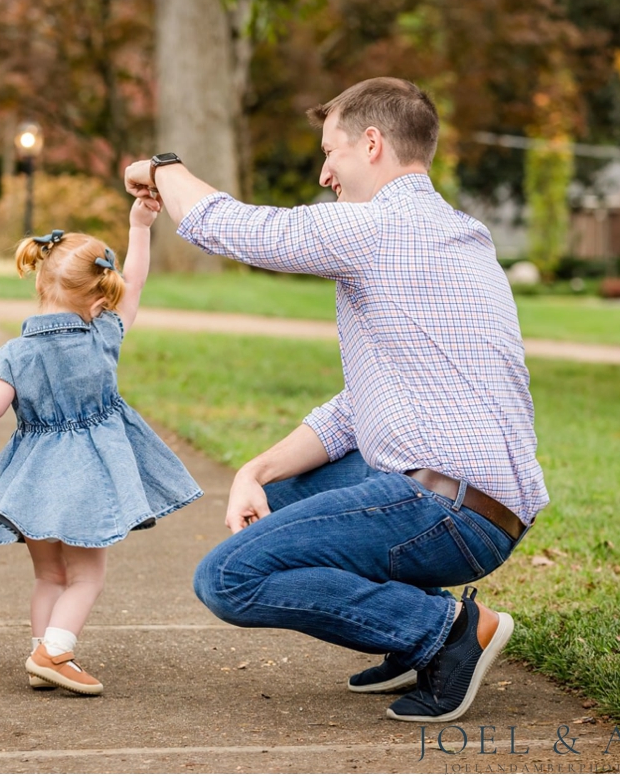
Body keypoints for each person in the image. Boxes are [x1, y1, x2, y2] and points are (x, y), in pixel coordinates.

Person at [124, 77, 548, 723]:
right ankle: (407, 638)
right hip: (471, 501)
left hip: (448, 508)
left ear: (372, 144)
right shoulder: (456, 232)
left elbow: (232, 228)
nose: (325, 172)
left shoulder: (381, 225)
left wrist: (163, 169)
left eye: (332, 151)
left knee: (228, 578)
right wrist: (255, 469)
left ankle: (443, 630)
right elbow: (358, 407)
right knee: (279, 498)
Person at [0, 200, 203, 697]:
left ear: (41, 281)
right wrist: (140, 226)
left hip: (34, 480)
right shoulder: (102, 333)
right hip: (90, 476)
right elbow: (137, 282)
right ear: (98, 297)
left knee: (49, 574)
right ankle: (56, 652)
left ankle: (38, 653)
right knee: (86, 577)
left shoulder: (14, 353)